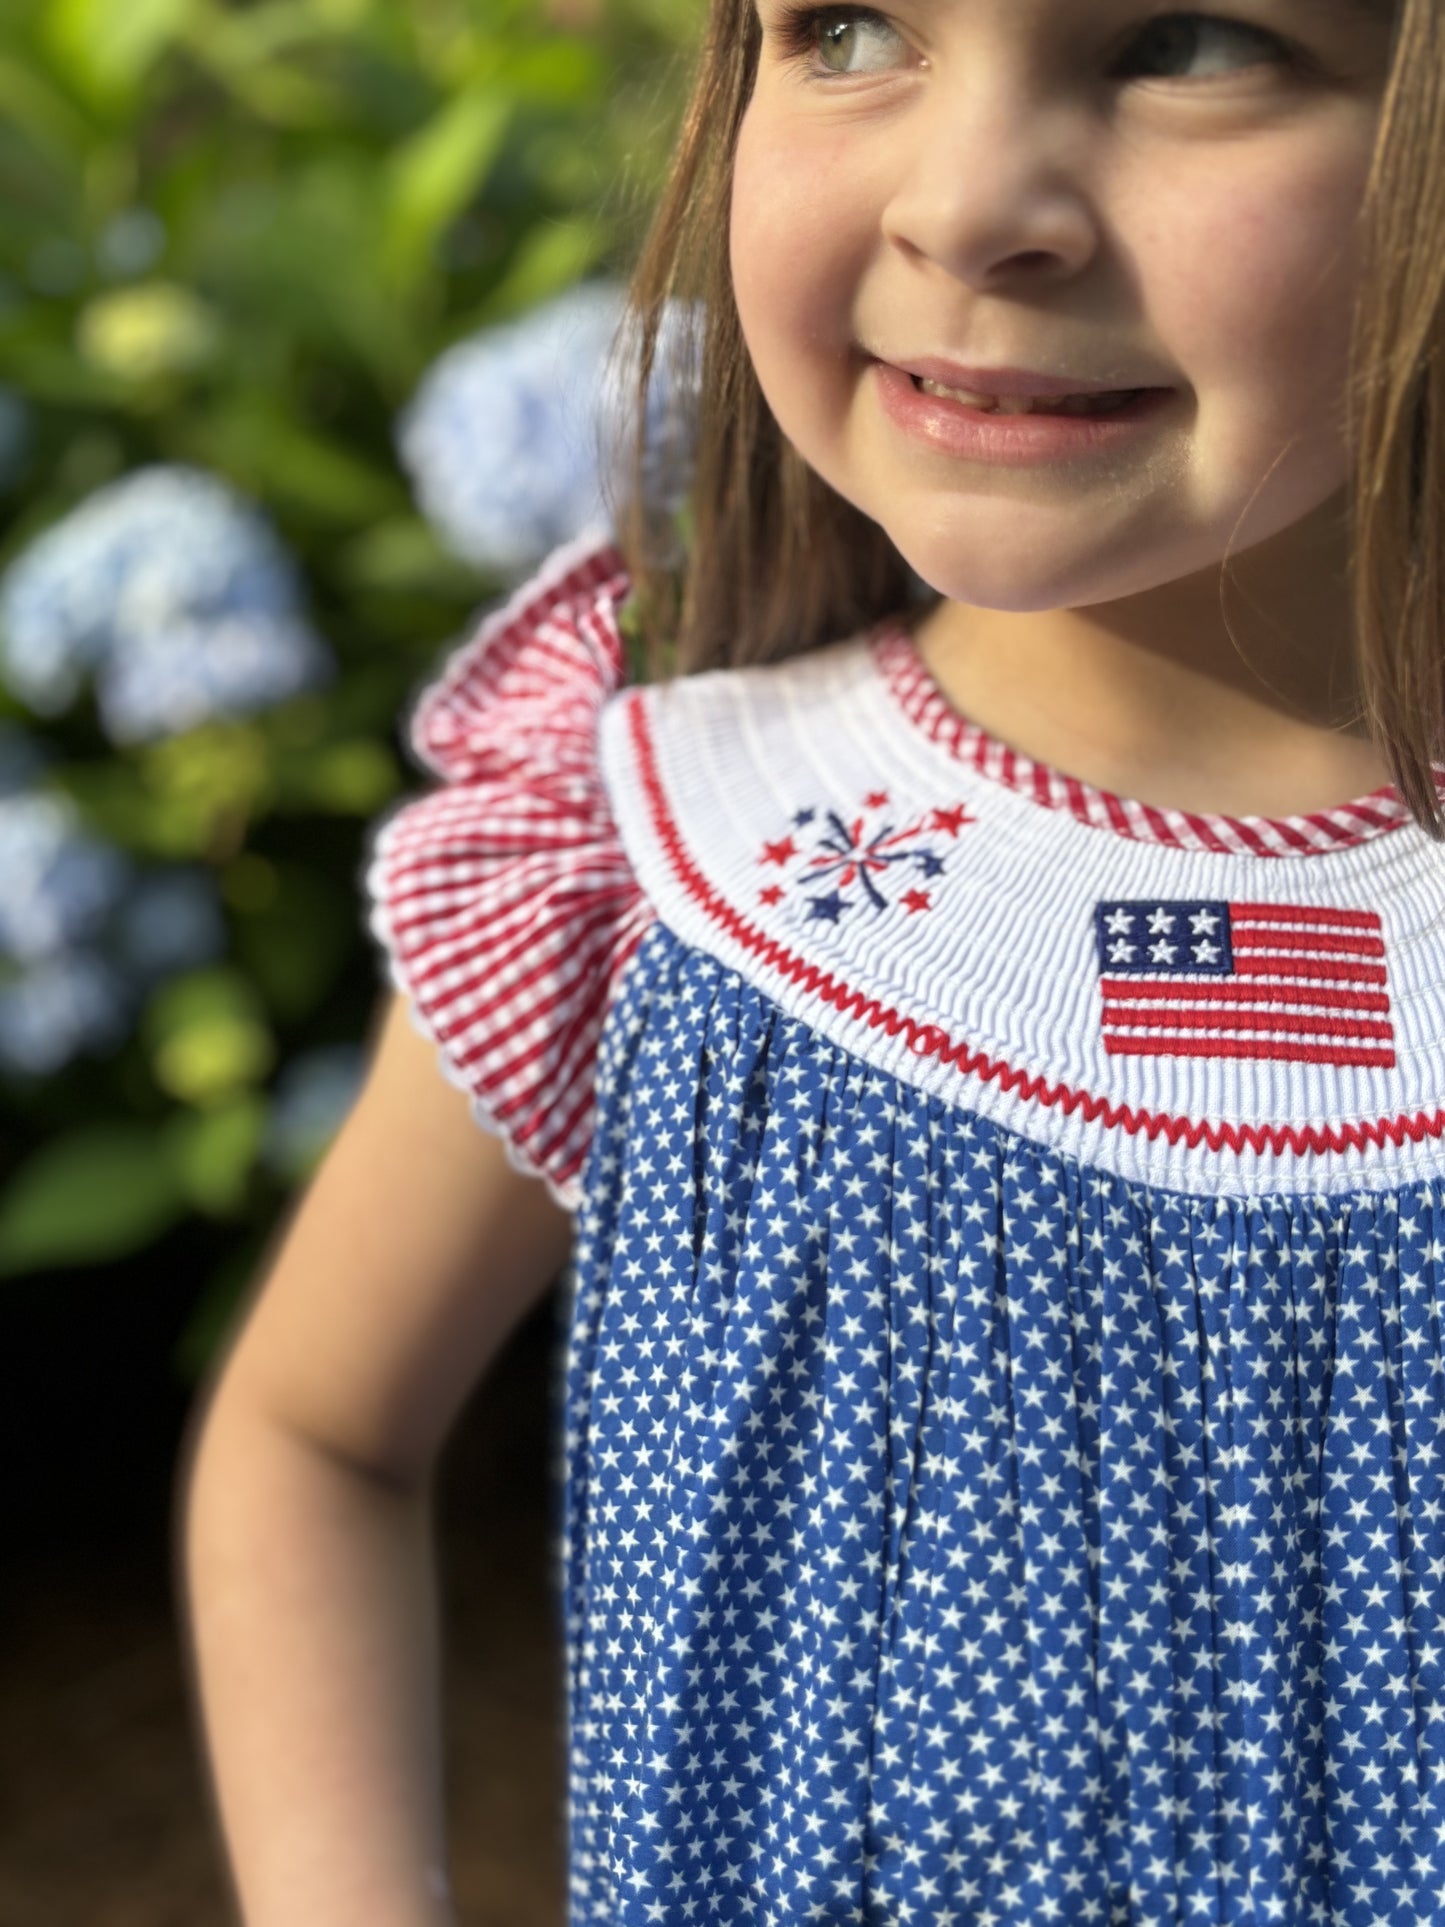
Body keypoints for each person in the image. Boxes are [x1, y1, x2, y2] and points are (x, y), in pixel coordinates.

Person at [179, 0, 1445, 1921]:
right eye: (847, 25)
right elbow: (313, 1435)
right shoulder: (668, 864)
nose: (968, 207)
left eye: (1188, 42)